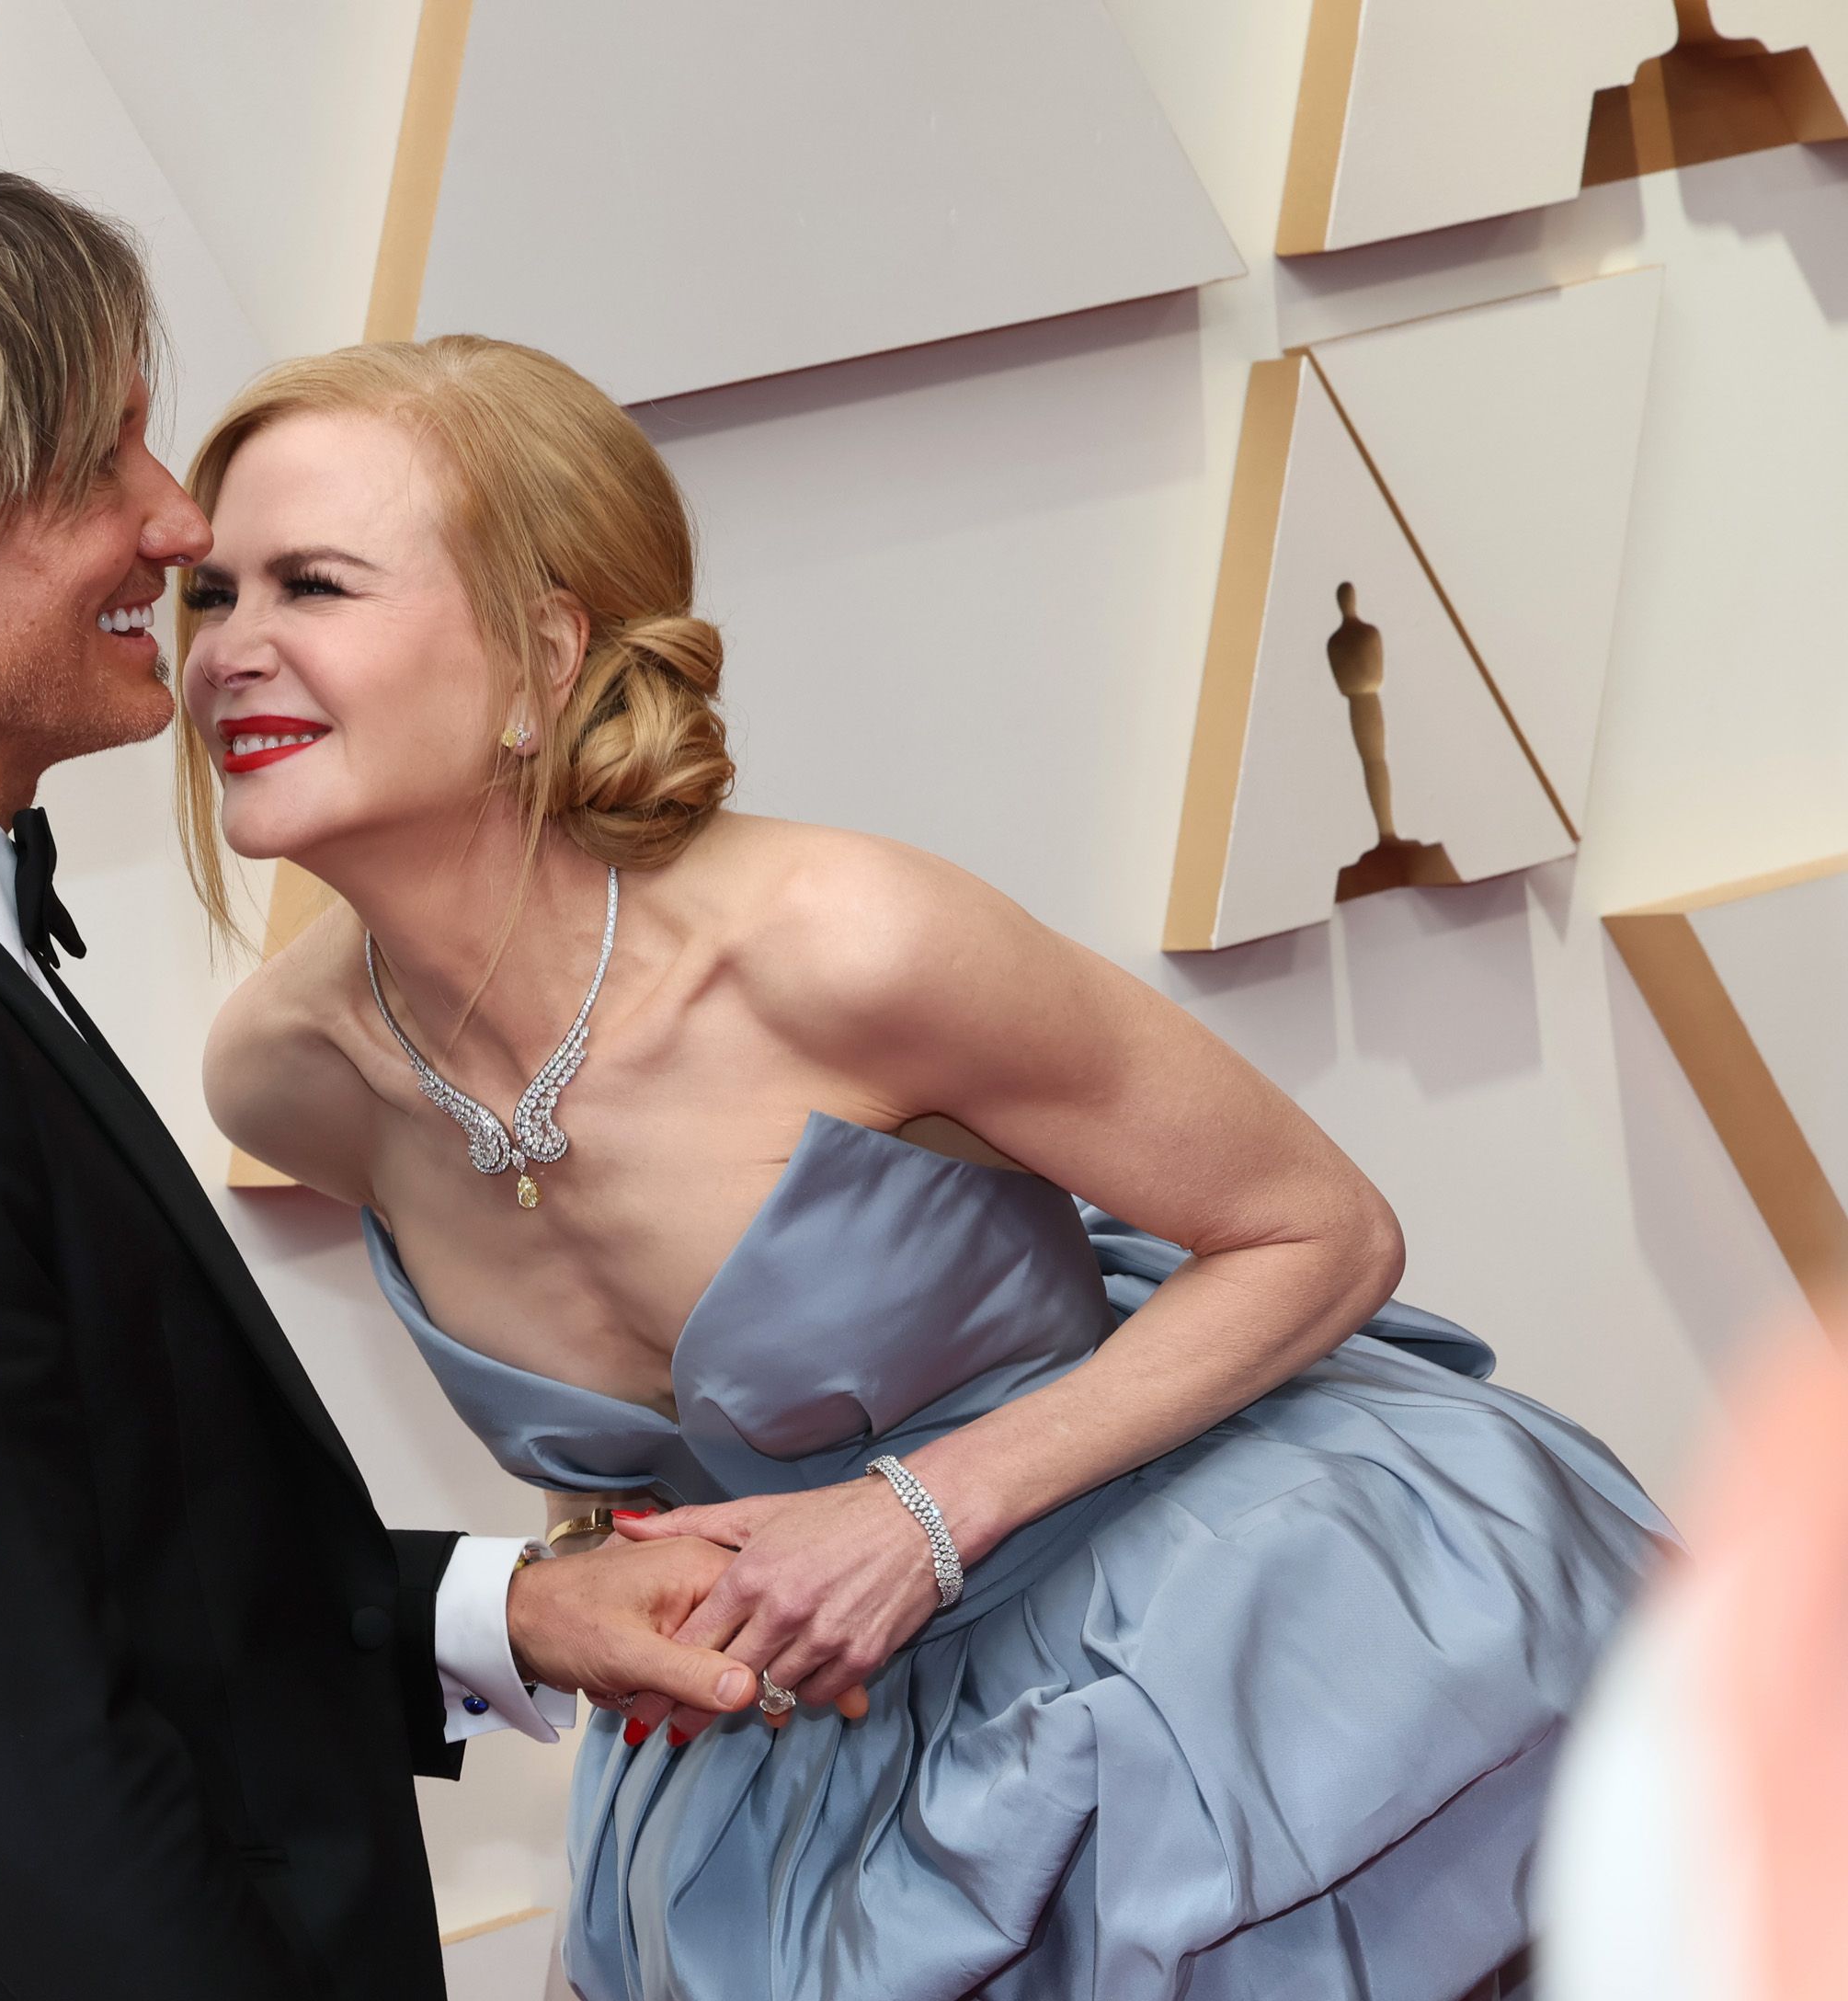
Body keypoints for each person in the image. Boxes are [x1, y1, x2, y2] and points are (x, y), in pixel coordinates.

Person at [184, 335, 1671, 2001]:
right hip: (810, 1761)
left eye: (312, 585)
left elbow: (1320, 1232)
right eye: (209, 594)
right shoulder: (291, 1077)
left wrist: (917, 1520)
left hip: (1194, 1642)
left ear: (542, 655)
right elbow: (626, 1450)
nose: (232, 652)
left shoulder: (849, 946)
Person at [0, 158, 762, 2001]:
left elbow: (105, 1574)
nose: (176, 519)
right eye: (93, 469)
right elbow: (28, 1768)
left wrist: (507, 1610)